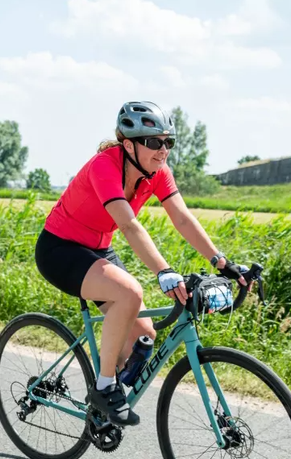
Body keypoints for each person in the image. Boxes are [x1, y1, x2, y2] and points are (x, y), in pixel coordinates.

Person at [34, 100, 249, 427]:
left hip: (97, 250)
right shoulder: (104, 167)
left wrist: (221, 262)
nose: (163, 150)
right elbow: (130, 225)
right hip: (60, 250)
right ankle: (104, 388)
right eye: (154, 142)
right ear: (128, 144)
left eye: (168, 142)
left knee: (143, 334)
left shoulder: (158, 173)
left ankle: (107, 399)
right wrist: (163, 271)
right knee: (131, 293)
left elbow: (182, 218)